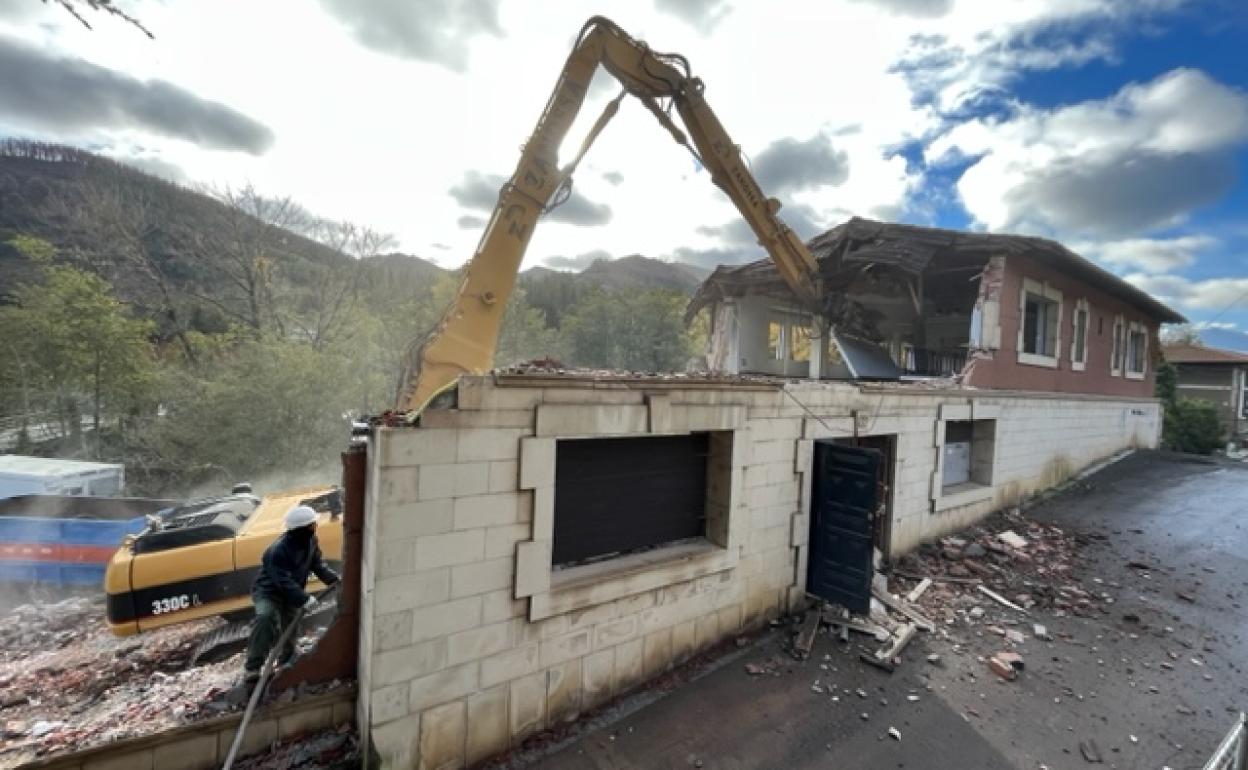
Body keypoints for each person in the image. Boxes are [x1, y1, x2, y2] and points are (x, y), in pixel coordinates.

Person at [242, 504, 339, 685]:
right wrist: (304, 598)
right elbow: (282, 581)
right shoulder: (277, 551)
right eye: (312, 524)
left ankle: (287, 660)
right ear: (302, 528)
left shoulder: (310, 541)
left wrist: (335, 580)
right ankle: (253, 668)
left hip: (290, 592)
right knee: (266, 618)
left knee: (290, 626)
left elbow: (318, 565)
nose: (315, 526)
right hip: (268, 593)